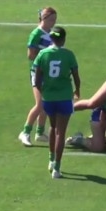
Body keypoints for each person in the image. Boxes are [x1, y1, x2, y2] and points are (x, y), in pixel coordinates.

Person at [32, 26, 80, 179]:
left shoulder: (42, 54)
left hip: (49, 98)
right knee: (61, 132)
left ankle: (51, 159)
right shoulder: (68, 55)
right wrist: (77, 90)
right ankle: (57, 168)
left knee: (52, 127)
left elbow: (37, 78)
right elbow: (76, 76)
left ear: (51, 38)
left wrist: (42, 91)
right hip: (64, 97)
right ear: (64, 39)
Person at [18, 7, 56, 146]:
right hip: (38, 73)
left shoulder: (51, 33)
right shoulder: (36, 33)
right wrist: (45, 55)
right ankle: (25, 132)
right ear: (43, 19)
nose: (53, 22)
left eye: (55, 19)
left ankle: (40, 132)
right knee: (40, 104)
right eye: (51, 19)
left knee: (46, 104)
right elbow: (30, 55)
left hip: (47, 73)